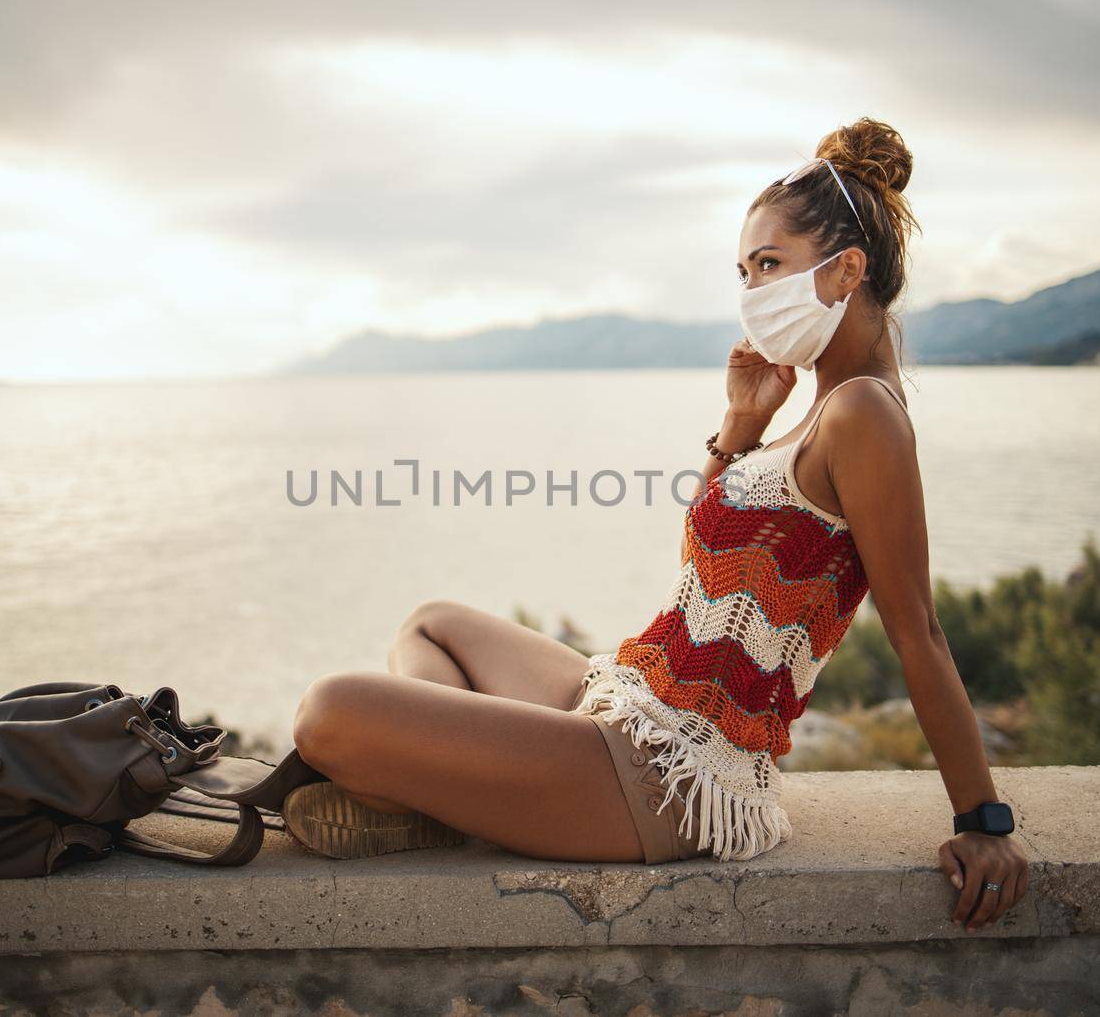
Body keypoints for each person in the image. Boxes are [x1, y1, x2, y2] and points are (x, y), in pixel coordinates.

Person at [289, 117, 1030, 932]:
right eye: (743, 272)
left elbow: (916, 626)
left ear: (846, 269)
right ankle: (449, 796)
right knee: (433, 624)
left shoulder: (863, 414)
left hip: (670, 776)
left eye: (770, 265)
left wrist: (982, 821)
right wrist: (739, 428)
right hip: (635, 702)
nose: (752, 293)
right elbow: (708, 559)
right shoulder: (810, 413)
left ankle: (441, 794)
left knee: (329, 711)